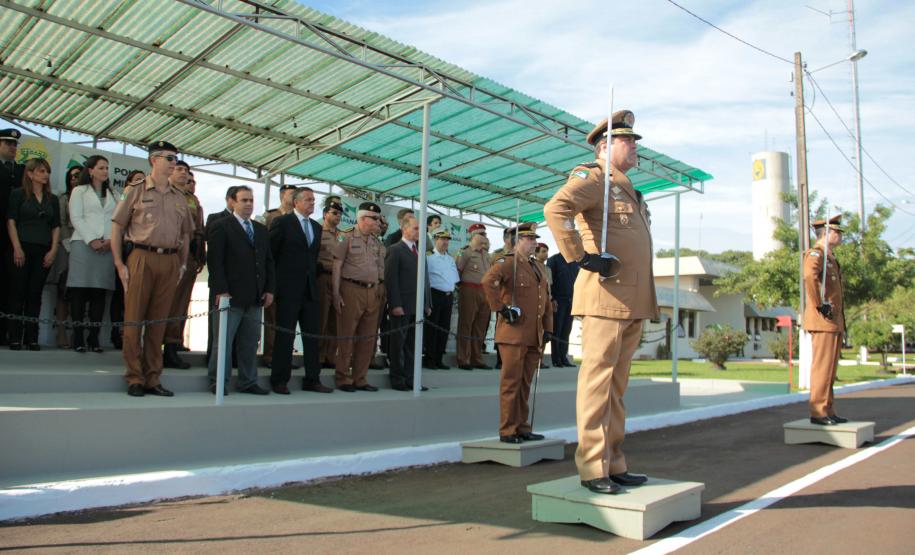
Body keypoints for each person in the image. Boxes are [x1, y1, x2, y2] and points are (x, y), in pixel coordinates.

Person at [543, 110, 657, 495]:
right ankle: (593, 467)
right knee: (598, 384)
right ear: (605, 147)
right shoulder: (594, 178)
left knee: (616, 389)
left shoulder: (626, 188)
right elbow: (555, 209)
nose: (635, 146)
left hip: (630, 300)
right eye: (628, 140)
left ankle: (614, 462)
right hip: (606, 296)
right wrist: (583, 258)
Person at [111, 140, 192, 397]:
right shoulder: (135, 190)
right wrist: (119, 263)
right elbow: (117, 226)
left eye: (175, 158)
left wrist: (182, 264)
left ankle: (153, 378)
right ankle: (134, 377)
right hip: (141, 256)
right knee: (134, 320)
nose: (173, 163)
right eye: (169, 158)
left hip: (169, 260)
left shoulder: (180, 196)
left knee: (158, 324)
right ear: (154, 160)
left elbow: (186, 234)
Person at [482, 223, 552, 443]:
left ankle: (522, 427)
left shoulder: (537, 266)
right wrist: (501, 309)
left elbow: (545, 299)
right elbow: (488, 282)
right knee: (511, 383)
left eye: (535, 239)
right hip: (514, 334)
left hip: (533, 334)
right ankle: (508, 430)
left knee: (525, 384)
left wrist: (548, 328)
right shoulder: (508, 262)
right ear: (518, 241)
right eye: (529, 239)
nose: (534, 243)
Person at [207, 186, 274, 395]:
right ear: (232, 202)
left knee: (250, 343)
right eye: (244, 200)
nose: (248, 204)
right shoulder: (221, 226)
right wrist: (221, 290)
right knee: (223, 343)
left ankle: (248, 381)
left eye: (251, 200)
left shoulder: (260, 229)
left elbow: (268, 262)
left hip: (255, 297)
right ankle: (218, 381)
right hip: (229, 296)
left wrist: (269, 289)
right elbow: (215, 261)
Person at [269, 187, 332, 394]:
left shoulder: (316, 227)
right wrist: (273, 286)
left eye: (313, 200)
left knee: (312, 337)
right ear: (296, 202)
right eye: (308, 199)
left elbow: (312, 258)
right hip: (288, 290)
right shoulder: (282, 223)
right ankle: (280, 380)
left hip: (310, 290)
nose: (312, 203)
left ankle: (312, 379)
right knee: (285, 336)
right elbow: (271, 255)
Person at [6, 158, 60, 350]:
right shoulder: (18, 194)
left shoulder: (52, 199)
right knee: (18, 291)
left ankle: (32, 337)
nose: (45, 175)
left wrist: (53, 250)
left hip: (43, 249)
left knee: (35, 293)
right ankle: (14, 336)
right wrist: (17, 247)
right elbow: (11, 221)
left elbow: (56, 226)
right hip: (22, 247)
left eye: (47, 171)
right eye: (41, 171)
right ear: (30, 174)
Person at [332, 201, 385, 392]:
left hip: (372, 291)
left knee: (368, 337)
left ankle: (360, 378)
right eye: (374, 218)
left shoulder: (376, 242)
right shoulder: (345, 237)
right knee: (347, 335)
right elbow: (337, 266)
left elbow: (379, 268)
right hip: (351, 289)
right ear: (363, 218)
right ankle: (343, 377)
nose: (378, 222)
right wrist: (336, 293)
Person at [68, 155, 118, 354]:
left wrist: (110, 240)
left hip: (107, 246)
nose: (105, 171)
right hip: (83, 244)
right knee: (79, 292)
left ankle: (94, 338)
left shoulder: (114, 193)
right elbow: (76, 218)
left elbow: (118, 220)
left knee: (99, 292)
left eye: (107, 168)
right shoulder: (79, 191)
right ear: (90, 170)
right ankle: (78, 337)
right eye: (101, 168)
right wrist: (92, 240)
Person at [803, 215, 847, 425]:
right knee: (822, 367)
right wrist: (819, 304)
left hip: (833, 321)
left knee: (830, 369)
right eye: (837, 232)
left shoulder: (830, 257)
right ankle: (818, 412)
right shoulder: (816, 254)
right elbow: (809, 277)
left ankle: (828, 409)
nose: (840, 236)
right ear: (826, 233)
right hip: (823, 320)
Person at [161, 161, 204, 367]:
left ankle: (172, 345)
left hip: (187, 257)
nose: (184, 174)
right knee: (161, 302)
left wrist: (200, 254)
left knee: (180, 303)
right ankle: (152, 347)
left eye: (186, 171)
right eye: (179, 169)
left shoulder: (192, 199)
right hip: (164, 253)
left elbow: (199, 229)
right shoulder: (160, 193)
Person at [383, 214, 432, 391]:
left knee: (413, 345)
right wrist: (395, 304)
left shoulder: (420, 251)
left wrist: (427, 303)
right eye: (416, 228)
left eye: (421, 229)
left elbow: (425, 280)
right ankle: (398, 379)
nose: (420, 232)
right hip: (402, 306)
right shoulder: (395, 250)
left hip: (417, 307)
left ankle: (412, 379)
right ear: (404, 229)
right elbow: (391, 280)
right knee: (399, 344)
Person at [261, 183, 297, 368]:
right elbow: (263, 245)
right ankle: (270, 356)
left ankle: (284, 357)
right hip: (274, 274)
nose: (294, 197)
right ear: (282, 195)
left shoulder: (298, 219)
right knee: (272, 318)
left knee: (288, 320)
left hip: (292, 277)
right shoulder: (270, 216)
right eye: (292, 194)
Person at [109, 170, 145, 350]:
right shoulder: (126, 196)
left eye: (143, 179)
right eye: (137, 180)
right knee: (120, 294)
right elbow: (117, 225)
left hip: (139, 253)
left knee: (136, 299)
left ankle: (133, 337)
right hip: (124, 251)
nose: (141, 182)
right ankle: (117, 334)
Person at [204, 185, 238, 365]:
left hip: (239, 280)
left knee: (236, 321)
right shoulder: (215, 218)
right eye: (239, 199)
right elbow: (213, 249)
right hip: (220, 279)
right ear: (229, 200)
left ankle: (233, 357)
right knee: (217, 322)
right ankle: (213, 357)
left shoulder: (246, 222)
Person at [50, 166, 81, 349]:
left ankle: (78, 334)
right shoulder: (63, 198)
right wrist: (67, 242)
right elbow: (60, 222)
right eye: (72, 177)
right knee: (64, 289)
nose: (75, 179)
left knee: (81, 292)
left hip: (87, 246)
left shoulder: (92, 196)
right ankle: (61, 333)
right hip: (66, 245)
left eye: (78, 176)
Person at [455, 223, 493, 370]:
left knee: (480, 327)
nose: (485, 236)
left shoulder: (486, 255)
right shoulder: (464, 252)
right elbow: (457, 271)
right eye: (481, 234)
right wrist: (463, 288)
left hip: (485, 292)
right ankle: (463, 359)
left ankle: (476, 358)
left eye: (485, 233)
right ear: (473, 236)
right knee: (466, 324)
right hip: (469, 290)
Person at [0, 128, 24, 346]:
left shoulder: (22, 171)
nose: (13, 147)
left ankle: (4, 333)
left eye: (15, 144)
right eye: (8, 143)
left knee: (10, 284)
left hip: (15, 237)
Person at [423, 229, 460, 369]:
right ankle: (429, 359)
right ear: (435, 240)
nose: (445, 242)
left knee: (444, 328)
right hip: (434, 295)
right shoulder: (428, 257)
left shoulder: (450, 259)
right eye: (442, 239)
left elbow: (454, 279)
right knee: (432, 328)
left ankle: (439, 359)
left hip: (448, 296)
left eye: (447, 240)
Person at [318, 199, 344, 368]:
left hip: (339, 279)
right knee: (322, 318)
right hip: (323, 277)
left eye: (340, 214)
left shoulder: (343, 235)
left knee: (336, 319)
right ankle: (318, 355)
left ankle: (330, 355)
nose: (338, 216)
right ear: (325, 214)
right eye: (334, 213)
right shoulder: (318, 231)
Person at [547, 251, 579, 367]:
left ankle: (563, 357)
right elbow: (549, 281)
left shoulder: (575, 262)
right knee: (557, 330)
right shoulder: (554, 260)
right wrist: (552, 299)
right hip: (558, 301)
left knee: (566, 330)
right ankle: (556, 359)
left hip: (571, 300)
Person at [534, 243, 554, 368]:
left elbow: (549, 287)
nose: (546, 254)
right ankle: (534, 359)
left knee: (546, 331)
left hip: (547, 301)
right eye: (543, 251)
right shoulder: (532, 266)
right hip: (537, 302)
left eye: (547, 251)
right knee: (536, 331)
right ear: (535, 253)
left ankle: (540, 360)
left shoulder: (548, 269)